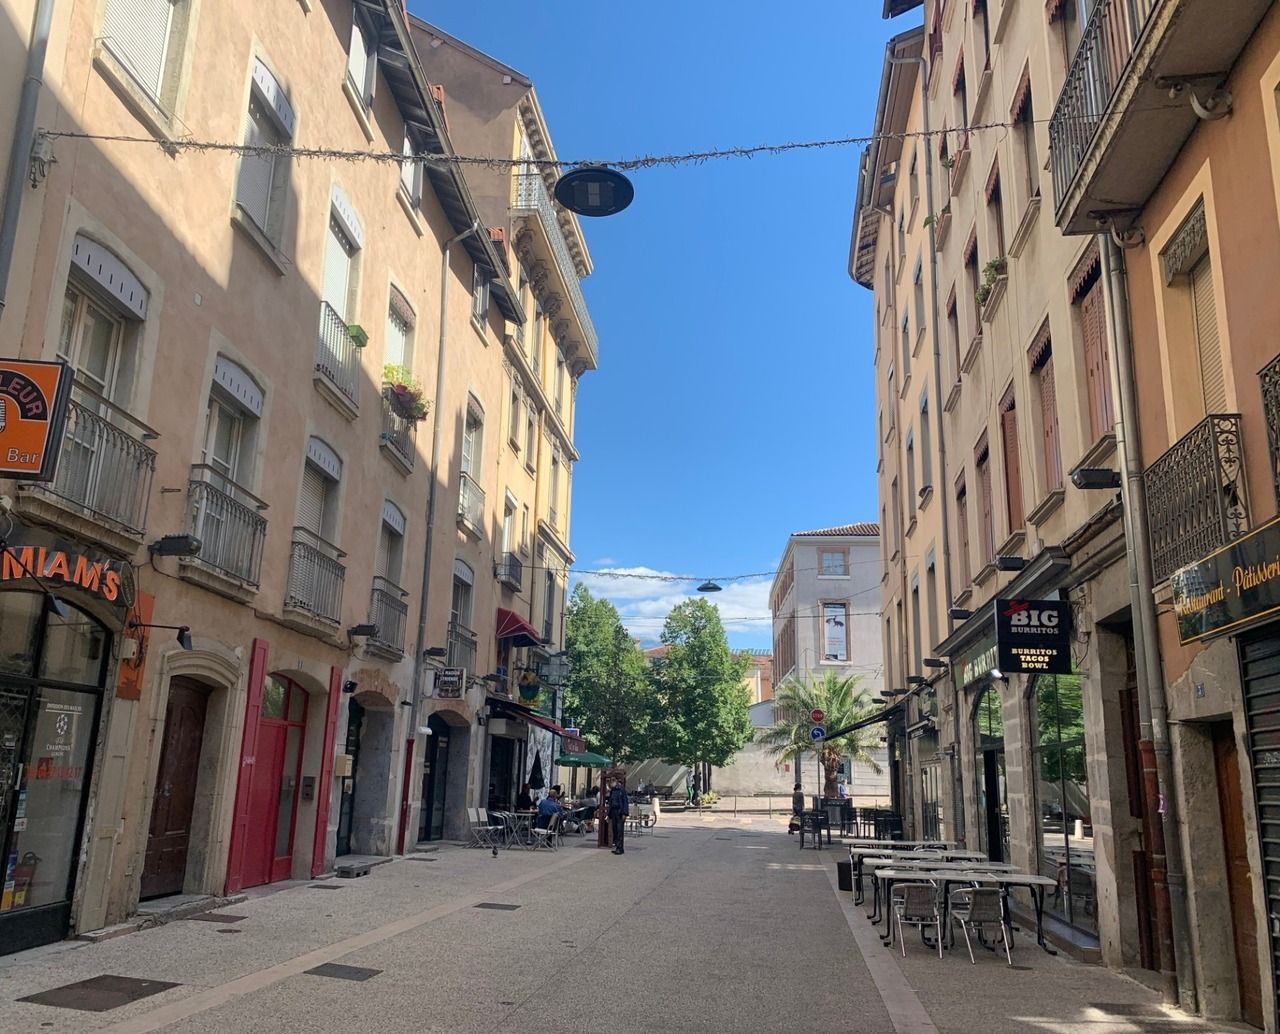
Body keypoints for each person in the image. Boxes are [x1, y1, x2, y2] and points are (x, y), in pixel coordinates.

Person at [608, 777, 630, 855]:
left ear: (616, 781)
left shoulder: (621, 790)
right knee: (615, 830)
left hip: (620, 812)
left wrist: (624, 813)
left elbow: (625, 802)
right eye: (611, 780)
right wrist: (609, 814)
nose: (611, 782)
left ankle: (620, 848)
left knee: (619, 830)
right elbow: (610, 802)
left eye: (613, 780)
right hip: (613, 812)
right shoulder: (612, 790)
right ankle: (617, 846)